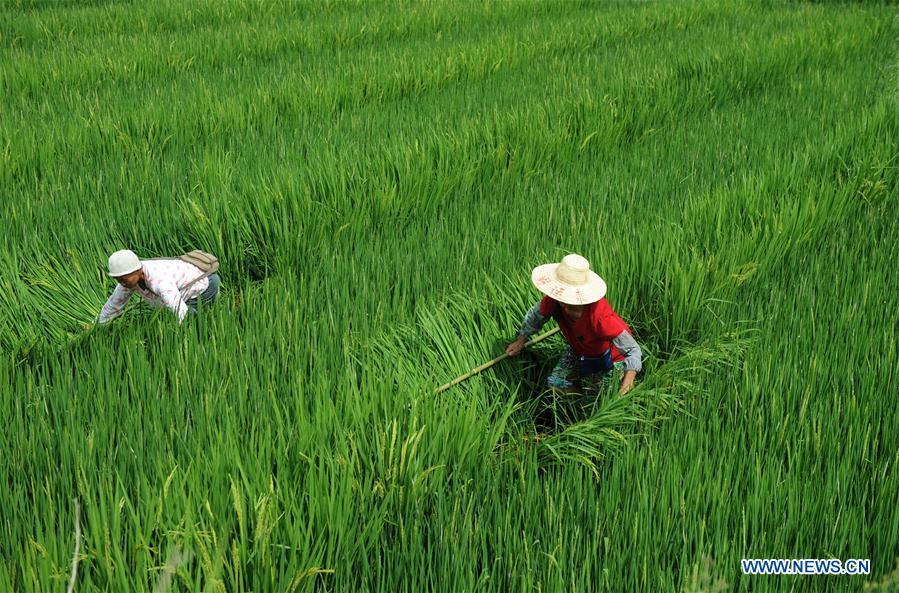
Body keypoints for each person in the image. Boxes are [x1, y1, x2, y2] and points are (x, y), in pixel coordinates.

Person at [506, 253, 642, 396]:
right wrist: (520, 341)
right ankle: (574, 405)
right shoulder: (554, 301)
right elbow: (536, 316)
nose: (560, 299)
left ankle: (590, 404)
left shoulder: (601, 318)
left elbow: (633, 350)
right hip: (579, 351)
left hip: (611, 359)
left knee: (596, 396)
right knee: (556, 383)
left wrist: (626, 386)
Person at [94, 249, 220, 325]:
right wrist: (97, 326)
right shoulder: (127, 282)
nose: (121, 283)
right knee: (170, 312)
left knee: (193, 318)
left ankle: (208, 325)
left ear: (137, 270)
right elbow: (113, 305)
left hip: (204, 284)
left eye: (123, 278)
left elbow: (180, 311)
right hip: (182, 288)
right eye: (118, 279)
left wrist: (178, 337)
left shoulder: (160, 281)